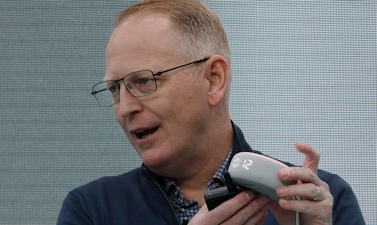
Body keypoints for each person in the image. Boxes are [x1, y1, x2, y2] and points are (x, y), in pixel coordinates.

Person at [57, 0, 365, 224]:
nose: (124, 108)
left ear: (213, 79)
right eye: (114, 89)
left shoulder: (323, 202)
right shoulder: (92, 210)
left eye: (144, 81)